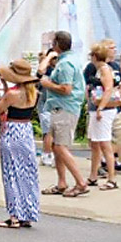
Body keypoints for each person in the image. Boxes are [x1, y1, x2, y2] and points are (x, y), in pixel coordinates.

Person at [0, 60, 40, 227]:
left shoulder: (13, 94)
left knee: (11, 174)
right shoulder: (34, 93)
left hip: (12, 130)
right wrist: (3, 83)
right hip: (26, 130)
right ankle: (28, 211)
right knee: (27, 173)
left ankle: (14, 215)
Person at [39, 31, 88, 197]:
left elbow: (67, 89)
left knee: (60, 146)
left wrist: (47, 84)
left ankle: (81, 182)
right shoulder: (68, 60)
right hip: (59, 107)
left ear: (57, 45)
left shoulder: (66, 64)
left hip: (65, 107)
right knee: (56, 146)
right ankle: (61, 182)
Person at [85, 43, 119, 190]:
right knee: (95, 143)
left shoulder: (105, 69)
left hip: (103, 110)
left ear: (95, 56)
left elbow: (108, 89)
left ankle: (112, 178)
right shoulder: (101, 69)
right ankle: (93, 175)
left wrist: (101, 107)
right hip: (96, 108)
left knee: (105, 144)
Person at [36, 47, 57, 167]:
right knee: (48, 131)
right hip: (46, 104)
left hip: (56, 105)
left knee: (51, 132)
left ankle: (49, 154)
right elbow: (38, 80)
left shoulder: (60, 69)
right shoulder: (46, 71)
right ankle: (47, 154)